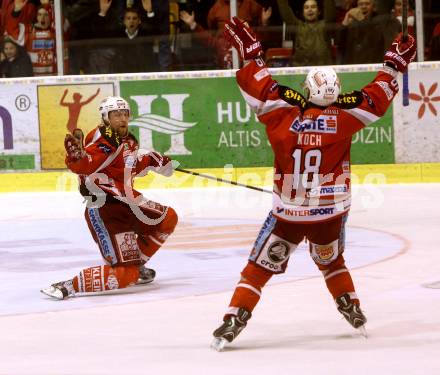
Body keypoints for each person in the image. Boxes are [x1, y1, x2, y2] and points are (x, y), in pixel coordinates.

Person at [211, 16, 416, 350]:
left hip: (289, 213)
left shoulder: (282, 114)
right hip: (330, 214)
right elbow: (375, 99)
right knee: (332, 261)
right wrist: (393, 65)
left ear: (306, 90)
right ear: (335, 93)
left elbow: (259, 86)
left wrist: (251, 56)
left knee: (258, 268)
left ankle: (235, 316)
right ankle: (350, 303)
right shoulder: (346, 117)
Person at [41, 96, 178, 300]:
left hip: (128, 203)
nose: (122, 119)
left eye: (125, 114)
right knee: (125, 276)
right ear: (106, 118)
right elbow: (87, 163)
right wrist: (77, 159)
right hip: (106, 209)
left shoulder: (129, 140)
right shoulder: (104, 140)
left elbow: (128, 166)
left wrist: (153, 160)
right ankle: (69, 285)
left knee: (168, 218)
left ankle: (135, 264)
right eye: (116, 115)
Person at [276, 0, 336, 66]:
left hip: (323, 70)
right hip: (300, 70)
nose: (310, 10)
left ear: (319, 11)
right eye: (306, 7)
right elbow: (285, 10)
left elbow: (330, 8)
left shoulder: (325, 25)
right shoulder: (297, 26)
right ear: (303, 12)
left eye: (313, 7)